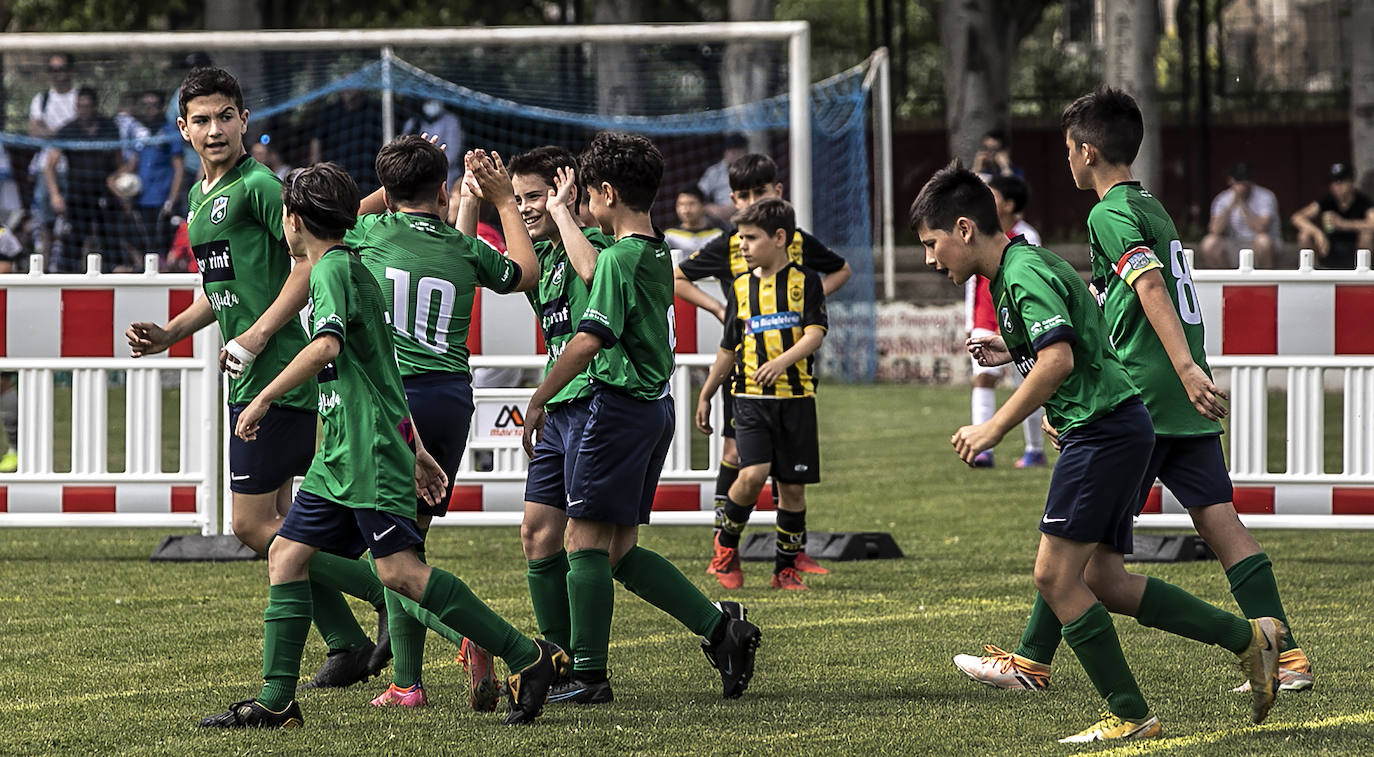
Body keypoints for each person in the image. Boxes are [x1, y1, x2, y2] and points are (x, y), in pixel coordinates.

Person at [954, 83, 1308, 718]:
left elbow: (1147, 288)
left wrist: (1179, 367)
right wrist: (1017, 349)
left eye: (1067, 148)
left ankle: (1033, 660)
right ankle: (1283, 653)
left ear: (1087, 153)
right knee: (1216, 525)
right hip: (1176, 392)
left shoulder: (1106, 212)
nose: (1066, 160)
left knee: (1076, 544)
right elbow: (1115, 301)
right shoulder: (1151, 207)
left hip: (1141, 389)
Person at [197, 162, 566, 729]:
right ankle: (277, 701)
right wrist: (417, 447)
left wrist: (263, 396)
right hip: (347, 446)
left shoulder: (335, 269)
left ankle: (526, 655)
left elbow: (326, 348)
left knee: (399, 573)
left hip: (366, 450)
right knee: (286, 554)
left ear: (292, 223)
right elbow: (383, 372)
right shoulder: (347, 260)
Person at [125, 67, 390, 692]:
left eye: (226, 116)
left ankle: (391, 590)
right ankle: (348, 643)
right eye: (202, 120)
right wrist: (171, 333)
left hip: (283, 374)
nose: (215, 129)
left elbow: (310, 263)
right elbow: (225, 288)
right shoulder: (200, 196)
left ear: (244, 120)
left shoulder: (261, 187)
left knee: (252, 526)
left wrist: (259, 335)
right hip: (254, 374)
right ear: (183, 130)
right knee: (280, 529)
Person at [519, 132, 763, 704]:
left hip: (616, 408)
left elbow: (587, 341)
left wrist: (537, 398)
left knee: (586, 543)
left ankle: (587, 674)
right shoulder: (640, 251)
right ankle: (722, 630)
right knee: (601, 547)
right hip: (630, 408)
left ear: (602, 193)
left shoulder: (623, 256)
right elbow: (586, 271)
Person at [349, 136, 539, 712]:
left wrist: (392, 181)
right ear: (441, 191)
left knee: (382, 553)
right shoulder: (464, 247)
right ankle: (407, 682)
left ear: (388, 190)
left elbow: (343, 216)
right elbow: (525, 273)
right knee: (411, 542)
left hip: (393, 398)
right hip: (450, 398)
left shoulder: (373, 234)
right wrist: (503, 200)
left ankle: (470, 643)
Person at [674, 152, 850, 577]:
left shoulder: (796, 245)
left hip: (792, 378)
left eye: (760, 192)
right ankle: (725, 546)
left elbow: (841, 270)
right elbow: (677, 277)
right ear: (732, 199)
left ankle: (791, 554)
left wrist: (810, 303)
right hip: (746, 374)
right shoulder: (731, 246)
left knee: (789, 474)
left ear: (778, 193)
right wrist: (720, 310)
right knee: (738, 457)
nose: (751, 201)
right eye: (743, 195)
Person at [695, 198, 827, 591]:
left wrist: (783, 361)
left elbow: (816, 332)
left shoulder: (807, 282)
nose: (742, 245)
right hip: (750, 398)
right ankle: (726, 548)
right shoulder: (740, 287)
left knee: (792, 488)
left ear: (779, 237)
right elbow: (729, 346)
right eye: (740, 238)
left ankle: (783, 570)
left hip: (797, 399)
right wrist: (706, 392)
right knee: (751, 474)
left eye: (751, 238)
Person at [964, 174, 1046, 469]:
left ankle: (1034, 449)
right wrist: (970, 319)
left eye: (993, 195)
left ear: (1009, 204)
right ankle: (981, 448)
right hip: (985, 316)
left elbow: (1033, 280)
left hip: (1018, 320)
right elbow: (972, 278)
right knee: (983, 377)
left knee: (1028, 382)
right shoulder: (980, 233)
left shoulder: (1028, 237)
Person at [44, 87, 128, 271]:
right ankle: (66, 280)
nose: (83, 110)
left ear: (95, 106)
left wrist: (119, 184)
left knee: (111, 241)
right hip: (77, 196)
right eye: (80, 106)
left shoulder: (109, 127)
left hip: (106, 194)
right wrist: (55, 195)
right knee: (72, 243)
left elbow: (121, 163)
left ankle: (116, 278)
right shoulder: (68, 130)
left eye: (87, 106)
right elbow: (49, 165)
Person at [23, 53, 78, 259]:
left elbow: (81, 129)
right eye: (53, 70)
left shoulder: (78, 98)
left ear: (71, 71)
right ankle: (43, 265)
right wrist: (63, 134)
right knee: (45, 221)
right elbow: (33, 131)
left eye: (62, 69)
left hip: (73, 168)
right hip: (45, 168)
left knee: (75, 221)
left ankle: (75, 267)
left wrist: (51, 132)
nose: (58, 74)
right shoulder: (42, 99)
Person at [126, 91, 185, 263]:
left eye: (153, 105)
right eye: (145, 105)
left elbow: (179, 168)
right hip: (141, 199)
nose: (149, 109)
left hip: (162, 200)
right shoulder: (139, 132)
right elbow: (133, 163)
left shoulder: (170, 132)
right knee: (143, 245)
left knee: (164, 248)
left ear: (161, 107)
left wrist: (172, 200)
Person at [1291, 162, 1374, 269]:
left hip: (1355, 249)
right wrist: (1317, 233)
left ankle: (1365, 272)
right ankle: (1313, 272)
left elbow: (1372, 223)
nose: (1336, 187)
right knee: (1304, 235)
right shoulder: (1327, 201)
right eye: (1333, 183)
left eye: (1341, 182)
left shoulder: (1363, 201)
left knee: (1367, 235)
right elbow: (1297, 217)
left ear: (1351, 182)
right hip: (1328, 247)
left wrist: (1344, 224)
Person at [1198, 162, 1279, 269]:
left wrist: (1242, 204)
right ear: (1230, 181)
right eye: (1238, 182)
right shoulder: (1222, 199)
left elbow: (1261, 228)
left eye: (1245, 182)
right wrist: (1232, 203)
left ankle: (1266, 282)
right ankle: (1225, 281)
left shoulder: (1266, 196)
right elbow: (1215, 230)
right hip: (1234, 244)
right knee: (1209, 243)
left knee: (1263, 241)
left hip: (1259, 245)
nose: (1242, 186)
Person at [310, 89, 383, 195]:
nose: (347, 89)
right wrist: (314, 172)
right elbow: (316, 141)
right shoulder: (330, 111)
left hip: (368, 180)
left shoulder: (374, 108)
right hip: (336, 180)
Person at [401, 99, 463, 190]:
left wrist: (432, 165)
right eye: (427, 101)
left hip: (446, 173)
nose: (429, 103)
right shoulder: (414, 122)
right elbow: (403, 148)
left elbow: (453, 153)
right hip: (417, 171)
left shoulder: (451, 121)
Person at [697, 132, 748, 224]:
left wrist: (734, 207)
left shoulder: (752, 171)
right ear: (725, 152)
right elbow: (697, 194)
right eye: (730, 150)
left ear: (745, 152)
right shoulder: (714, 172)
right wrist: (710, 207)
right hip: (717, 218)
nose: (734, 154)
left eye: (738, 151)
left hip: (744, 215)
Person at [664, 186, 723, 264]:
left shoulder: (718, 235)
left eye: (691, 204)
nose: (686, 210)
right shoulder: (669, 236)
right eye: (681, 204)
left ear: (703, 206)